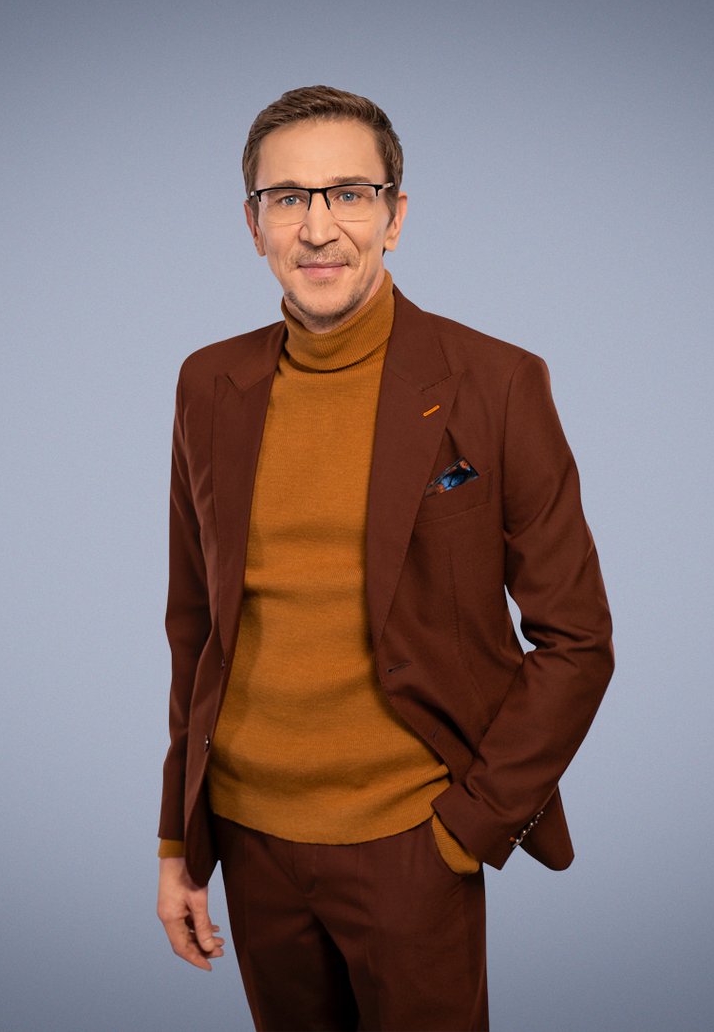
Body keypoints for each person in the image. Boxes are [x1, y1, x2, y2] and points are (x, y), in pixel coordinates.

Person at [155, 84, 614, 1031]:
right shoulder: (209, 384)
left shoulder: (496, 383)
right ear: (253, 224)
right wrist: (179, 841)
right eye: (288, 197)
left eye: (349, 194)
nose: (318, 227)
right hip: (248, 839)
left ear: (395, 216)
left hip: (412, 840)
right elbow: (193, 627)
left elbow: (577, 639)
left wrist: (471, 824)